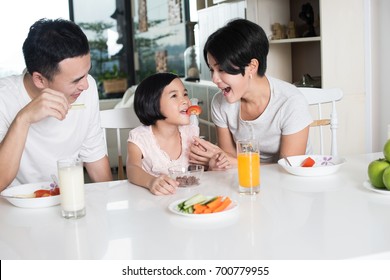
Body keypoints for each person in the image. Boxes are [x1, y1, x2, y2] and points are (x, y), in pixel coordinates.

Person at [0, 18, 113, 191]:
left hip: (69, 200)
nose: (86, 85)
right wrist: (23, 119)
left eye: (87, 73)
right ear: (39, 79)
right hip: (16, 207)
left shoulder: (86, 89)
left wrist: (110, 202)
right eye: (76, 80)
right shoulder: (4, 97)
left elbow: (94, 155)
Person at [189, 18, 313, 167]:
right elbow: (226, 159)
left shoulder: (290, 102)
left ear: (252, 66)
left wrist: (233, 162)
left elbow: (288, 168)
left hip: (290, 182)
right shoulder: (220, 103)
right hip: (245, 180)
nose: (214, 79)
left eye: (222, 69)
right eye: (211, 69)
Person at [126, 72, 226, 195]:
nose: (185, 100)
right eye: (174, 96)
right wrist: (151, 181)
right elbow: (132, 169)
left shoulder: (191, 132)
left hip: (185, 198)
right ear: (152, 103)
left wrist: (211, 166)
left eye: (185, 94)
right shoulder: (140, 138)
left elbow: (198, 170)